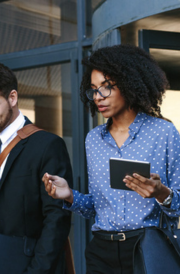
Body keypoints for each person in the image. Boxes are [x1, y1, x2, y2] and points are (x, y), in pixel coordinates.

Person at [43, 44, 180, 274]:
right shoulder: (93, 140)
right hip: (101, 251)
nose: (98, 97)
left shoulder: (163, 133)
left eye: (106, 88)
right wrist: (69, 196)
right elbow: (96, 208)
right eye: (94, 89)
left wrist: (160, 193)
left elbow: (177, 206)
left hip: (146, 248)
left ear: (129, 83)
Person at [0, 62, 73, 274]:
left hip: (27, 264)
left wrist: (36, 271)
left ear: (13, 98)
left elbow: (56, 219)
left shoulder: (47, 145)